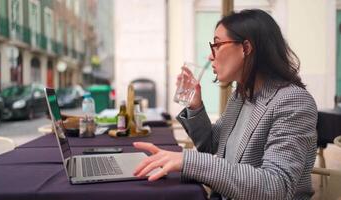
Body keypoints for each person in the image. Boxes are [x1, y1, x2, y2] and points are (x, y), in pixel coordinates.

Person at [133, 9, 317, 200]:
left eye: (217, 45)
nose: (210, 56)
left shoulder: (293, 102)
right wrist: (195, 106)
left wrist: (190, 161)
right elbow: (212, 144)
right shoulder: (241, 94)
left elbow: (276, 186)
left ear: (246, 48)